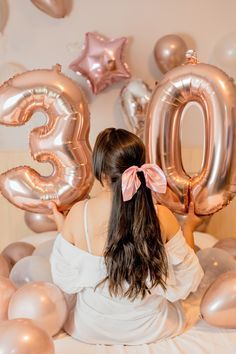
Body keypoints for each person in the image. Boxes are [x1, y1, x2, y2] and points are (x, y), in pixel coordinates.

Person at [50, 128, 204, 345]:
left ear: (102, 172)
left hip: (90, 328)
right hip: (151, 328)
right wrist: (189, 227)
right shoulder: (162, 215)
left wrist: (60, 223)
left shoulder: (79, 213)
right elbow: (190, 277)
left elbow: (63, 276)